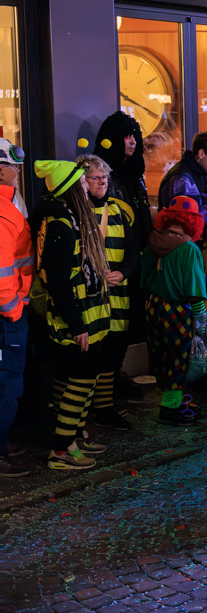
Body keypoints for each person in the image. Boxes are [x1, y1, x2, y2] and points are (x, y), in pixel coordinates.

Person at [33, 160, 114, 470]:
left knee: (85, 378)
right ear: (69, 189)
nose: (87, 186)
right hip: (75, 318)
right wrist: (76, 323)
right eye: (81, 183)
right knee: (79, 380)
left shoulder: (70, 219)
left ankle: (71, 440)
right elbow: (58, 282)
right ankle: (60, 449)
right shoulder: (60, 224)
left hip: (87, 315)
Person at [79, 154, 140, 432]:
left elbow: (133, 249)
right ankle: (88, 411)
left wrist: (123, 272)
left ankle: (104, 408)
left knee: (115, 349)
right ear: (83, 181)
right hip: (90, 294)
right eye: (95, 178)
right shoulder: (76, 210)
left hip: (119, 291)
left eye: (104, 177)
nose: (102, 182)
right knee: (94, 351)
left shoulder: (116, 209)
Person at [141, 196, 207, 427]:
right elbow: (194, 288)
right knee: (180, 359)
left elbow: (143, 280)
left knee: (162, 356)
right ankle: (170, 408)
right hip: (178, 311)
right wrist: (201, 318)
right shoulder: (189, 249)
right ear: (194, 222)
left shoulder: (152, 245)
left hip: (152, 306)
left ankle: (174, 401)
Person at [0, 138, 33, 477]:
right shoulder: (2, 212)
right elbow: (3, 274)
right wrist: (14, 308)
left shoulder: (8, 206)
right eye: (12, 166)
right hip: (6, 316)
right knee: (7, 385)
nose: (17, 172)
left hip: (10, 312)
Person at [95, 111, 153, 245]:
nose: (133, 142)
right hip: (115, 251)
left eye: (135, 136)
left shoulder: (135, 176)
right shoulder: (101, 176)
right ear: (115, 137)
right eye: (127, 136)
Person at [157, 131, 207, 230]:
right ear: (201, 154)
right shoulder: (181, 179)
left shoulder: (201, 171)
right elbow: (186, 220)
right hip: (180, 242)